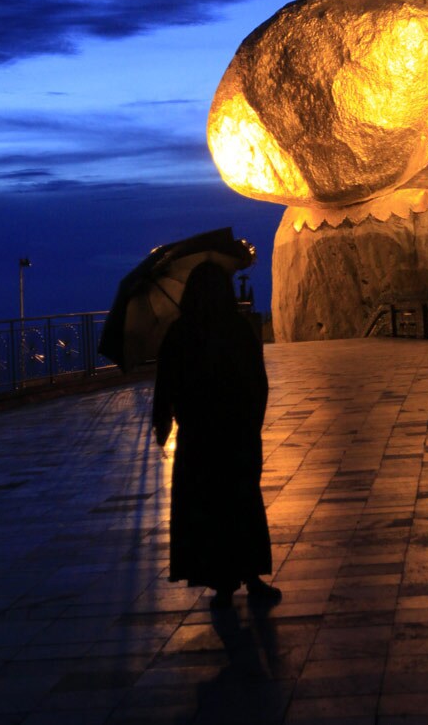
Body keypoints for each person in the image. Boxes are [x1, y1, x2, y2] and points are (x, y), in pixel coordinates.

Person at [152, 260, 281, 609]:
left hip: (199, 440)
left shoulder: (180, 333)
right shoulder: (237, 329)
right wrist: (252, 424)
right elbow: (257, 382)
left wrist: (164, 422)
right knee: (242, 503)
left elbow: (165, 384)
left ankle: (222, 583)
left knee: (208, 508)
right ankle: (251, 576)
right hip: (236, 435)